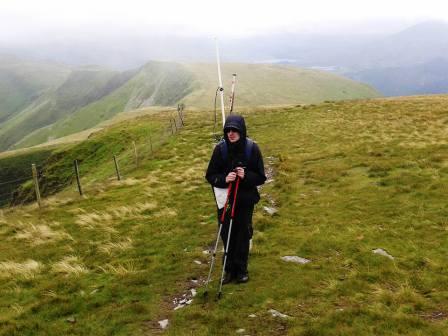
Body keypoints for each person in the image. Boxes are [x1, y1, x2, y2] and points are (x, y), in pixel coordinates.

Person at [206, 114, 266, 284]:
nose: (231, 133)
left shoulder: (252, 149)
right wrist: (224, 179)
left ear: (242, 131)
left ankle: (241, 270)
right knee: (227, 234)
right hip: (225, 201)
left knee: (242, 234)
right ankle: (229, 270)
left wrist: (245, 175)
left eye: (235, 130)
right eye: (228, 130)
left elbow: (261, 177)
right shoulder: (220, 150)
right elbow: (210, 175)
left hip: (245, 201)